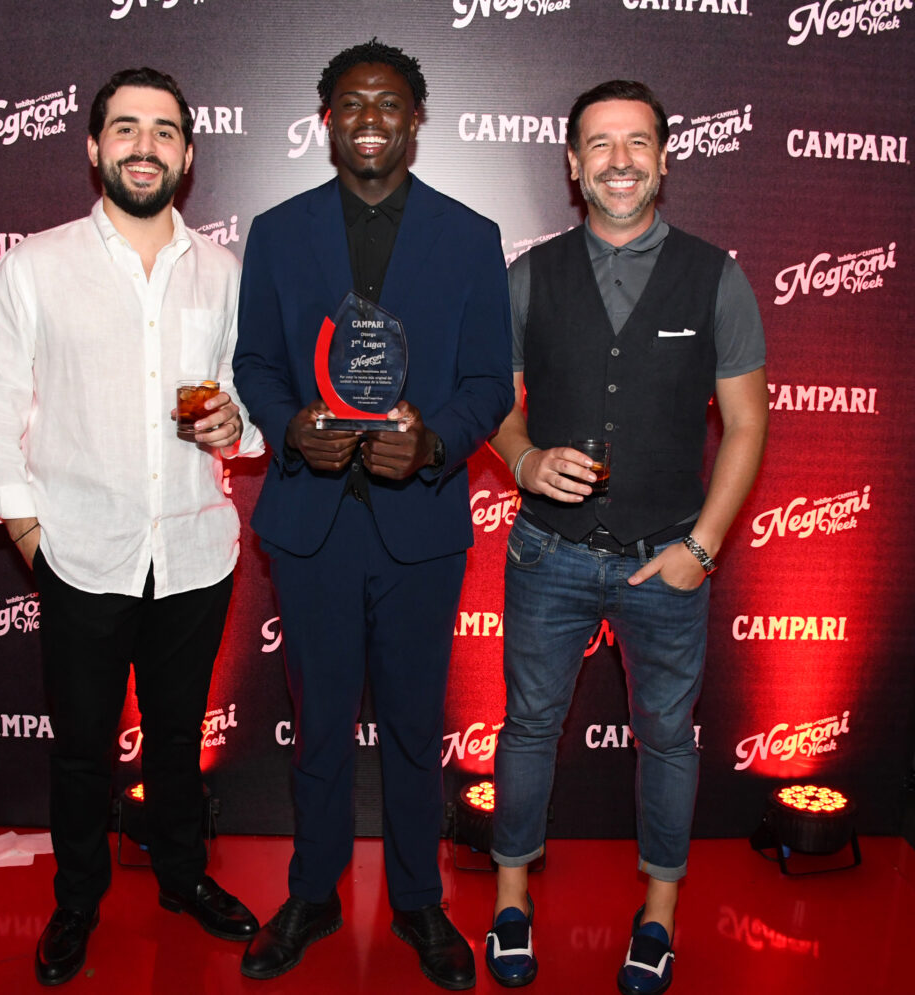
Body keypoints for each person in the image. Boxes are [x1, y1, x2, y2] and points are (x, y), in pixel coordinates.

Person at [0, 67, 262, 987]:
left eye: (164, 131)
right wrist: (28, 540)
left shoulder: (223, 271)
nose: (144, 145)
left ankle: (181, 876)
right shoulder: (35, 266)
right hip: (79, 554)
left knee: (178, 739)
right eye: (125, 129)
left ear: (188, 155)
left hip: (194, 552)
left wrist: (234, 428)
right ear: (93, 148)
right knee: (83, 744)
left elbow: (251, 407)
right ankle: (78, 897)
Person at [233, 39, 512, 992]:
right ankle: (311, 893)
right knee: (314, 728)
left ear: (415, 121)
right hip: (310, 521)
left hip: (420, 524)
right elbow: (257, 368)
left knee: (409, 722)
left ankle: (417, 901)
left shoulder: (472, 236)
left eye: (388, 104)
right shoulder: (276, 231)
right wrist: (286, 429)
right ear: (325, 120)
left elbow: (487, 385)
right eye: (350, 103)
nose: (369, 119)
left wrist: (434, 444)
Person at [484, 80, 768, 994]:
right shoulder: (528, 275)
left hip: (667, 561)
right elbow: (494, 402)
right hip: (546, 554)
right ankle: (511, 900)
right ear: (571, 165)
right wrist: (524, 461)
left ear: (664, 158)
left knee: (667, 740)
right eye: (599, 145)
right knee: (527, 730)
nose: (618, 160)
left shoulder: (717, 274)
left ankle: (658, 915)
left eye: (636, 142)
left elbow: (748, 423)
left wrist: (705, 545)